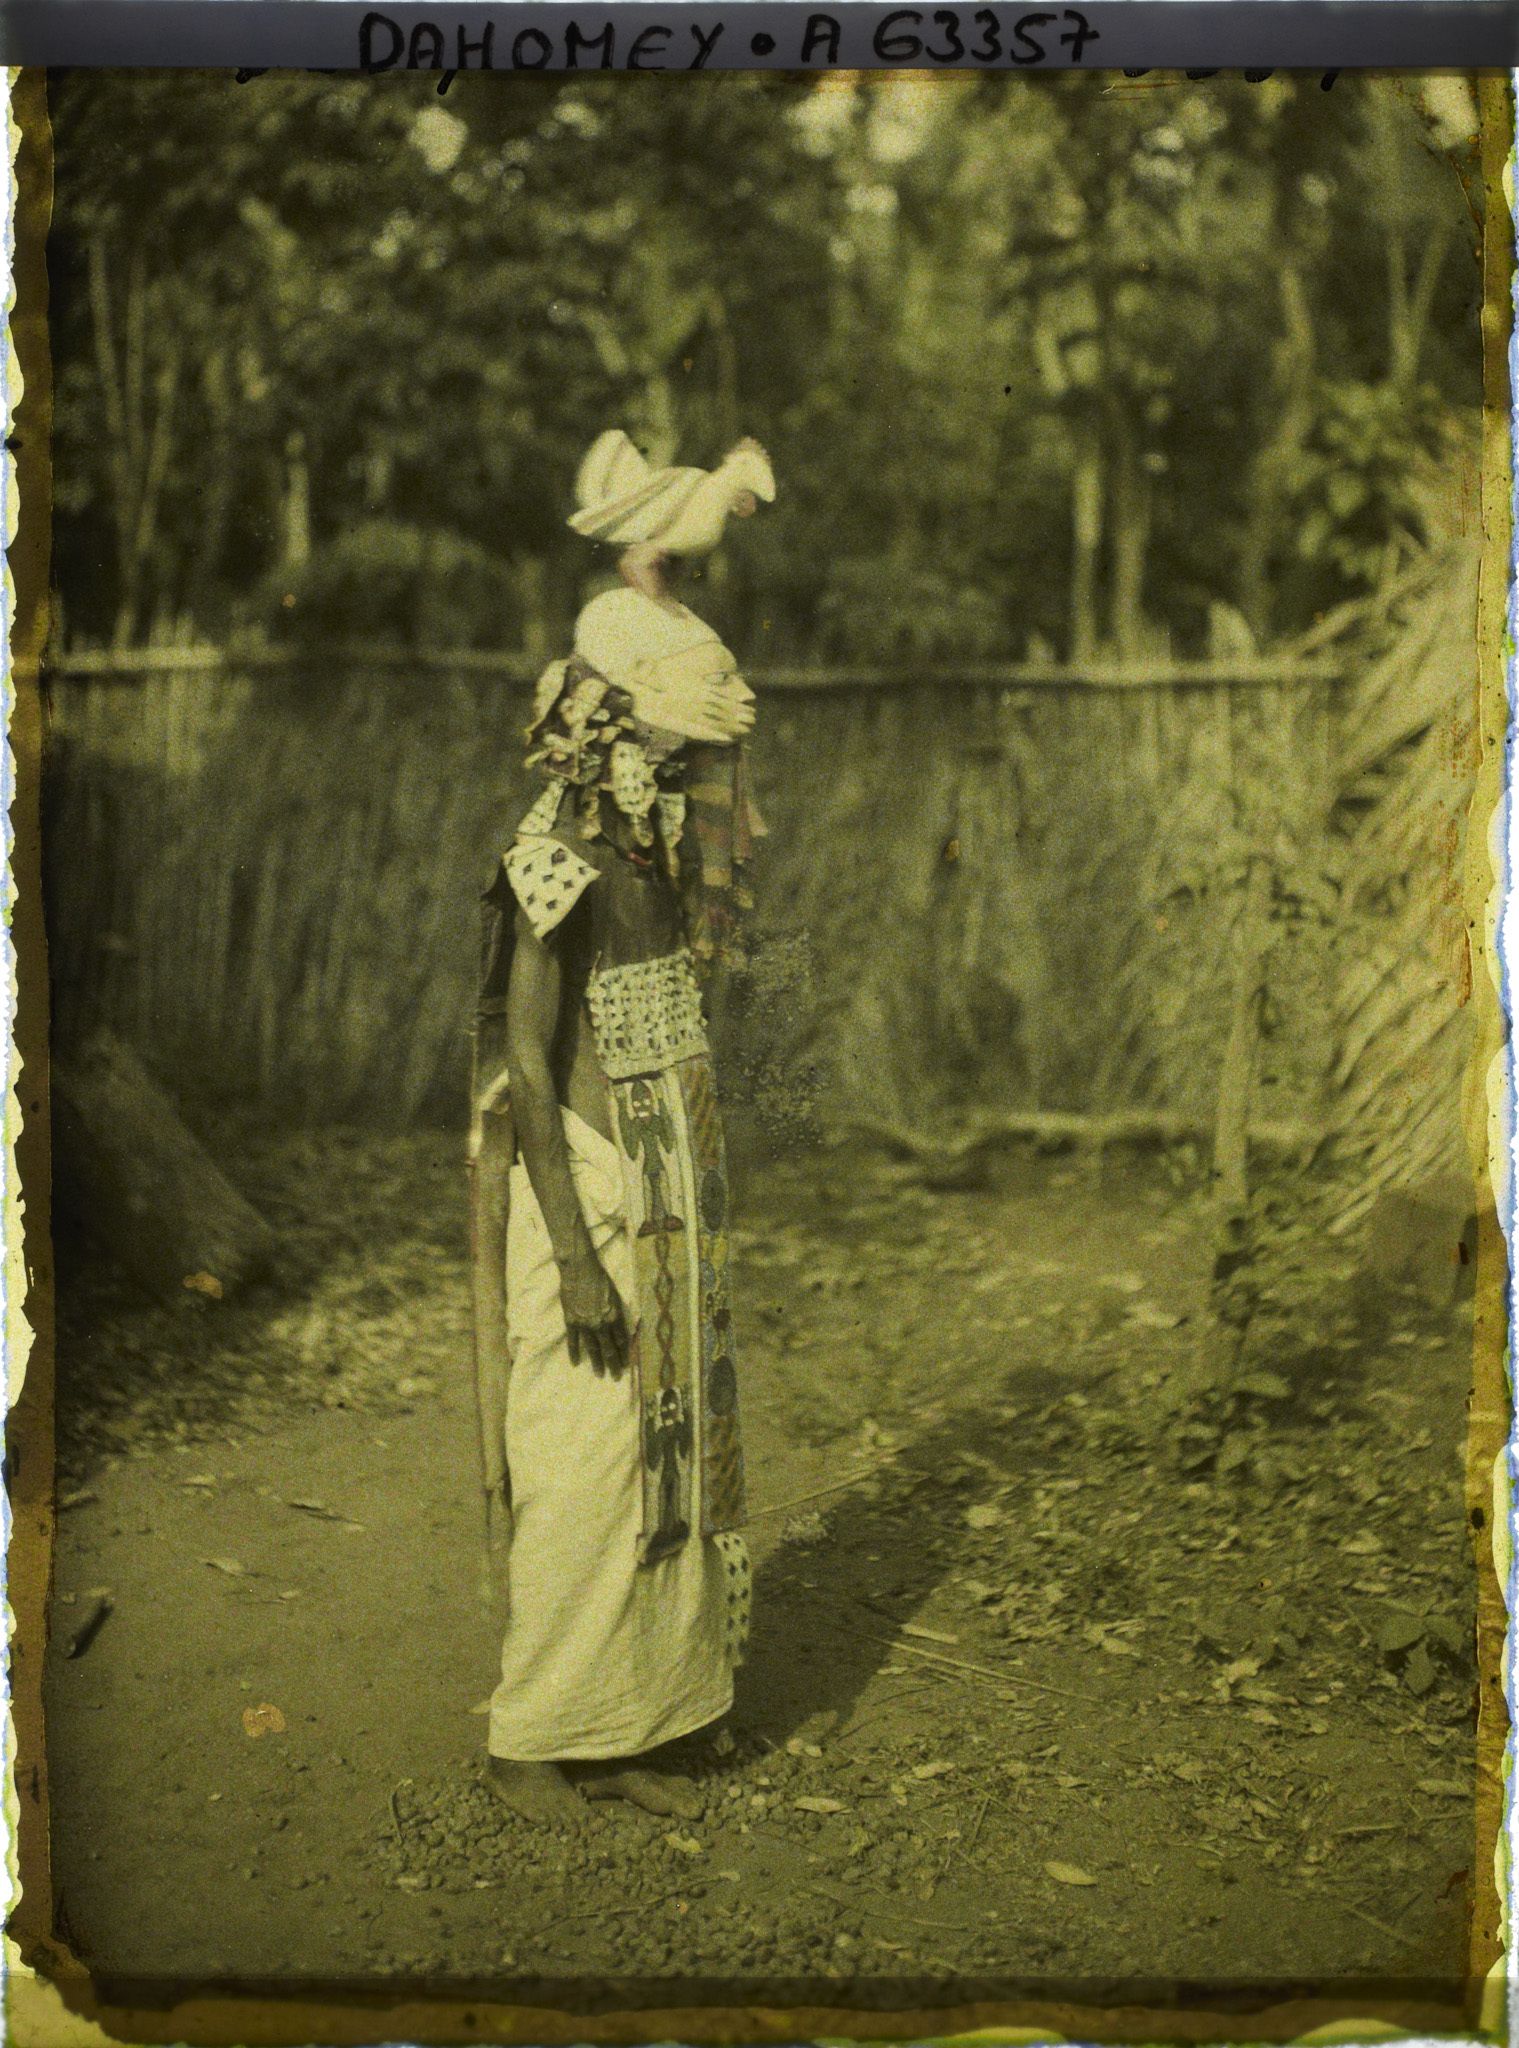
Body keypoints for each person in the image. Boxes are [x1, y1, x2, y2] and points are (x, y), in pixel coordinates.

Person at [468, 429, 774, 1826]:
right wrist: (579, 1255)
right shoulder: (555, 852)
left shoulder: (658, 853)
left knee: (674, 1441)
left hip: (673, 1162)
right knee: (589, 1452)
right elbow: (524, 1056)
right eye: (654, 742)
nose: (672, 768)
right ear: (604, 732)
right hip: (587, 1175)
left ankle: (642, 1716)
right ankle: (537, 1733)